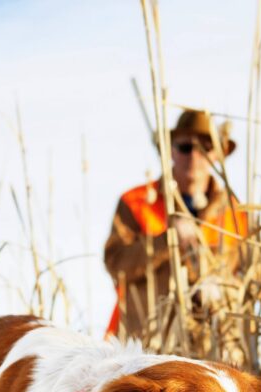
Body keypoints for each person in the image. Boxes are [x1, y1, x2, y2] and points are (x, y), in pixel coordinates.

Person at [103, 109, 251, 354]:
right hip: (145, 346)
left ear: (217, 154)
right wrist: (167, 239)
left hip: (216, 347)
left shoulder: (237, 213)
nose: (194, 156)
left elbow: (254, 277)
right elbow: (116, 264)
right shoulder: (136, 201)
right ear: (170, 150)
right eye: (185, 147)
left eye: (204, 148)